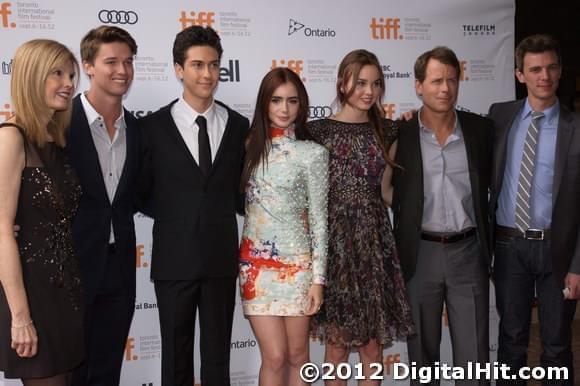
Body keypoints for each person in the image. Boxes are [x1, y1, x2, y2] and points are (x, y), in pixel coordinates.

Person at [137, 25, 249, 386]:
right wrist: (179, 216)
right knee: (175, 359)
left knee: (218, 360)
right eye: (198, 65)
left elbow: (240, 193)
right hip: (173, 262)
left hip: (220, 261)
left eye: (214, 65)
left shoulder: (238, 125)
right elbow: (141, 193)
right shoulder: (151, 127)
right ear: (178, 69)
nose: (207, 74)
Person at [308, 49, 413, 386]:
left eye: (376, 84)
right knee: (337, 349)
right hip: (336, 247)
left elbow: (385, 191)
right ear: (342, 82)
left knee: (371, 348)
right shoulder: (316, 132)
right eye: (361, 82)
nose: (369, 91)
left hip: (373, 244)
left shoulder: (391, 131)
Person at [392, 46, 493, 385]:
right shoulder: (400, 133)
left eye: (451, 80)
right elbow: (383, 188)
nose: (445, 89)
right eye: (436, 81)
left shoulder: (481, 130)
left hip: (468, 252)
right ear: (418, 85)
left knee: (475, 357)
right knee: (422, 357)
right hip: (420, 255)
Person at [489, 34, 580, 385]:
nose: (545, 76)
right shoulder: (500, 117)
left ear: (560, 71)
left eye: (552, 67)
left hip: (559, 251)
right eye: (536, 69)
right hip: (510, 248)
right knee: (511, 342)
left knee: (557, 346)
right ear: (519, 74)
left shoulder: (576, 127)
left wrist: (577, 266)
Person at [0, 39, 83, 386]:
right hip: (30, 294)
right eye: (57, 73)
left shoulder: (55, 140)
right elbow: (2, 231)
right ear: (32, 76)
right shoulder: (11, 137)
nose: (68, 83)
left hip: (66, 291)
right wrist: (20, 317)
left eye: (71, 74)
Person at [239, 67, 328, 385]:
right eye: (276, 100)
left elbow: (319, 221)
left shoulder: (313, 155)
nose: (284, 109)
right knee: (274, 356)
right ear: (265, 103)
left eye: (292, 101)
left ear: (301, 105)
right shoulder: (247, 149)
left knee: (298, 356)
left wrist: (318, 279)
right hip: (256, 269)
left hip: (299, 269)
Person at [67, 26, 139, 386]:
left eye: (128, 62)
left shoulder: (139, 131)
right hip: (68, 267)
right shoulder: (58, 122)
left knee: (109, 370)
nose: (122, 70)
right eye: (111, 61)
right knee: (69, 372)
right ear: (88, 66)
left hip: (120, 267)